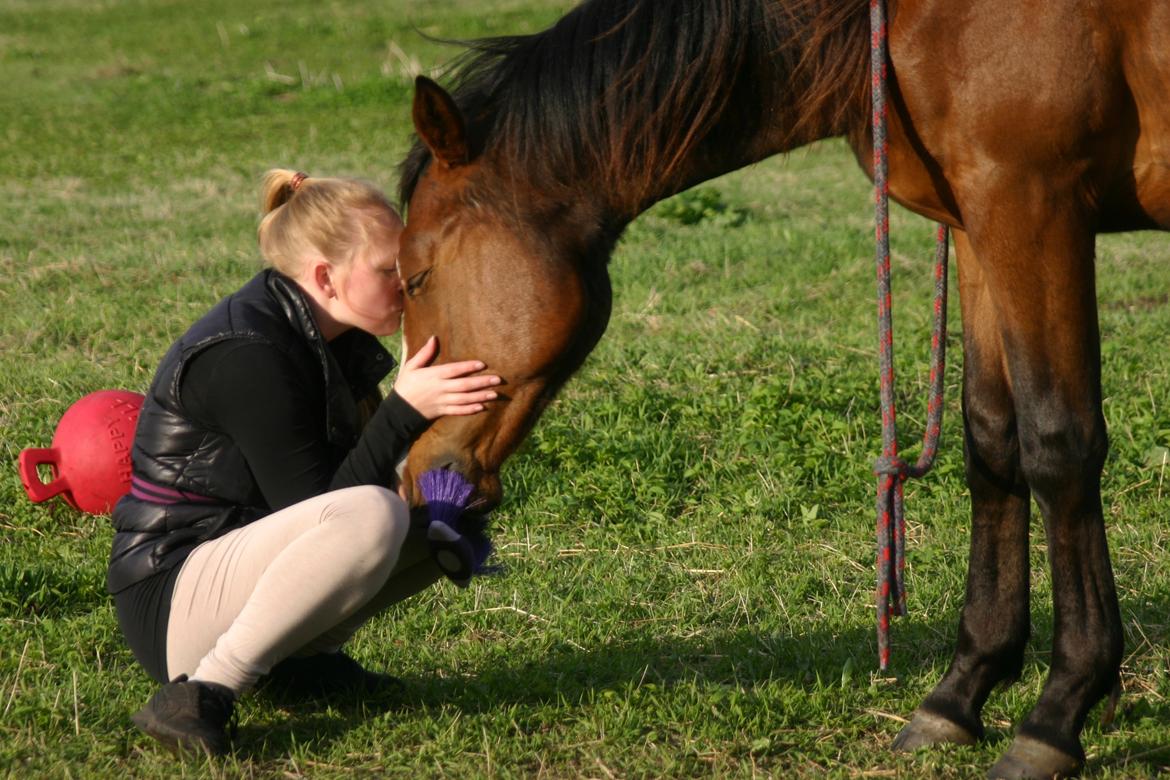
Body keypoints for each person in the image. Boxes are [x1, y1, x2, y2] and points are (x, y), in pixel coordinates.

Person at [107, 169, 500, 756]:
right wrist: (403, 410)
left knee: (443, 505)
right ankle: (204, 692)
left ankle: (302, 664)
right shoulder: (249, 353)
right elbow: (319, 506)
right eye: (387, 270)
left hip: (229, 571)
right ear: (326, 277)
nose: (406, 282)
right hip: (171, 598)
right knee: (373, 517)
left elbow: (335, 492)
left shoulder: (323, 333)